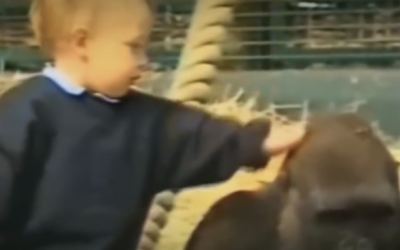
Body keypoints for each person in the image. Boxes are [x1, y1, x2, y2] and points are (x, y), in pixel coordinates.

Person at [0, 0, 305, 249]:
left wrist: (260, 141)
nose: (144, 60)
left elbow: (197, 139)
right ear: (82, 43)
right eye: (133, 46)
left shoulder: (142, 118)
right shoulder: (23, 114)